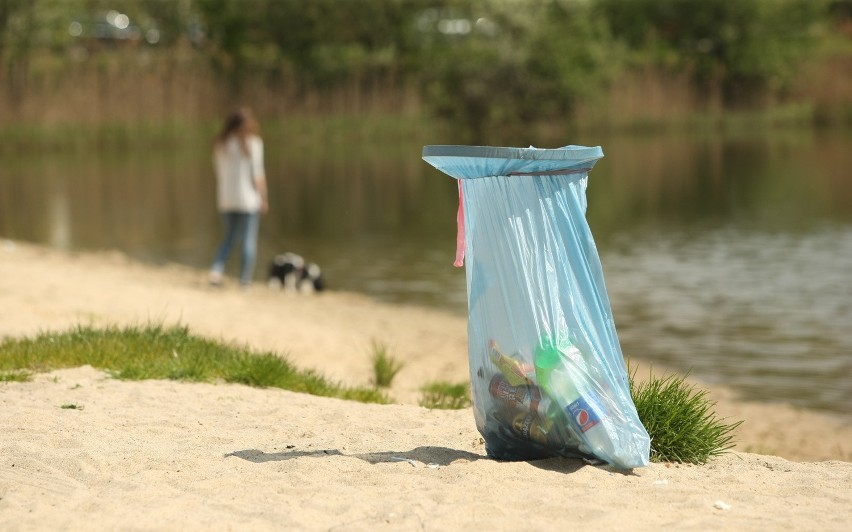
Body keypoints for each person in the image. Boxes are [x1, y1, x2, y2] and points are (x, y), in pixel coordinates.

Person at [208, 107, 268, 287]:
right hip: (248, 201)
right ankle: (244, 281)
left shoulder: (220, 145)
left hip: (226, 199)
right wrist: (263, 198)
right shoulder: (254, 144)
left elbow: (217, 172)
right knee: (248, 241)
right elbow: (258, 176)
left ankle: (216, 271)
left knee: (228, 238)